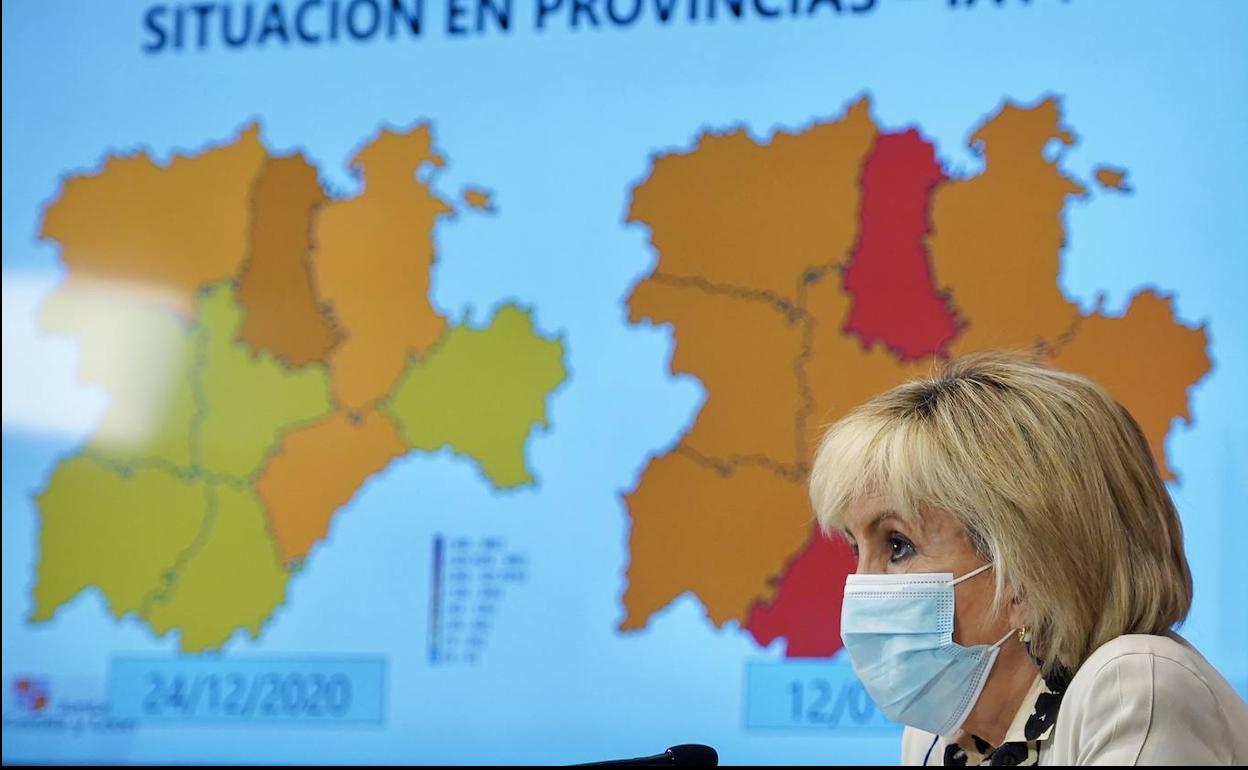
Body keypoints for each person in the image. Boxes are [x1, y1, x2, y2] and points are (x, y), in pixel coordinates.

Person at [808, 351, 1248, 765]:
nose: (862, 586)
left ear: (1027, 572)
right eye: (855, 547)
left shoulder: (1133, 688)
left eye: (898, 545)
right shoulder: (937, 739)